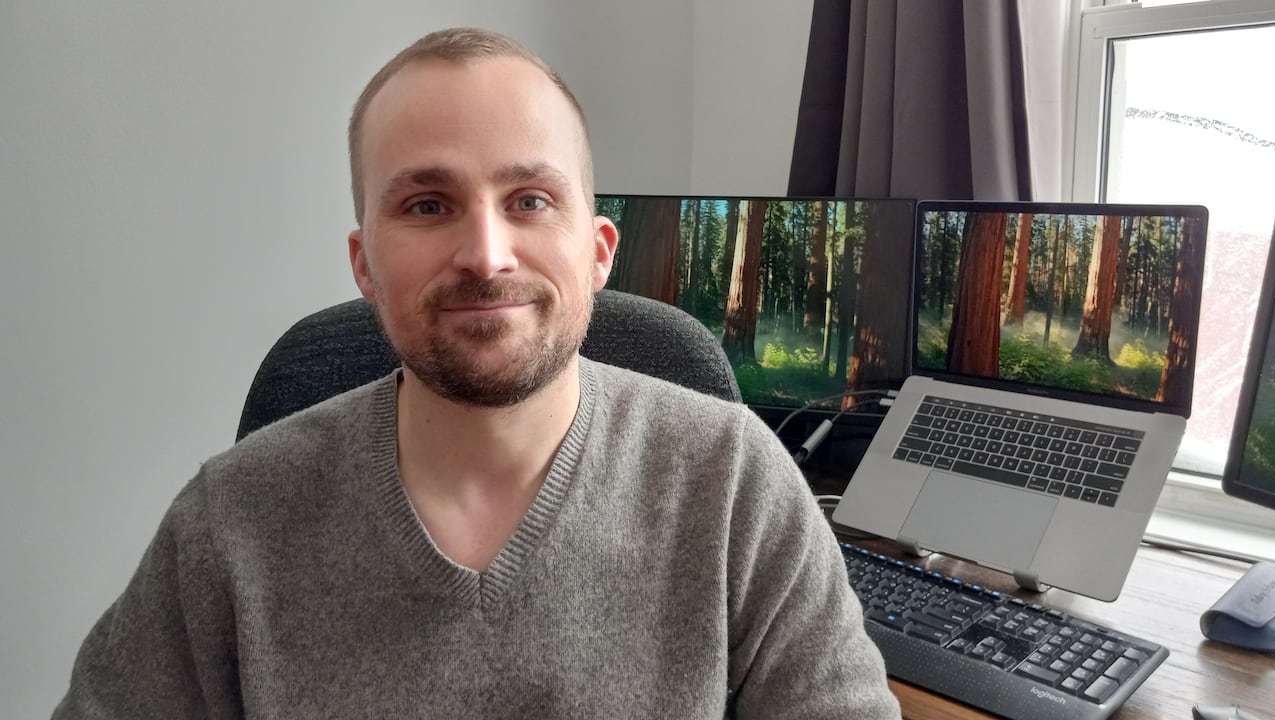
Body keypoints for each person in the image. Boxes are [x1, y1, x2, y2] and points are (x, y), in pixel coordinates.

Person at [53, 27, 900, 719]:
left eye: (530, 199)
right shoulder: (230, 526)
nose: (486, 256)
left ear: (598, 252)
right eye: (427, 204)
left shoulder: (735, 487)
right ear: (364, 265)